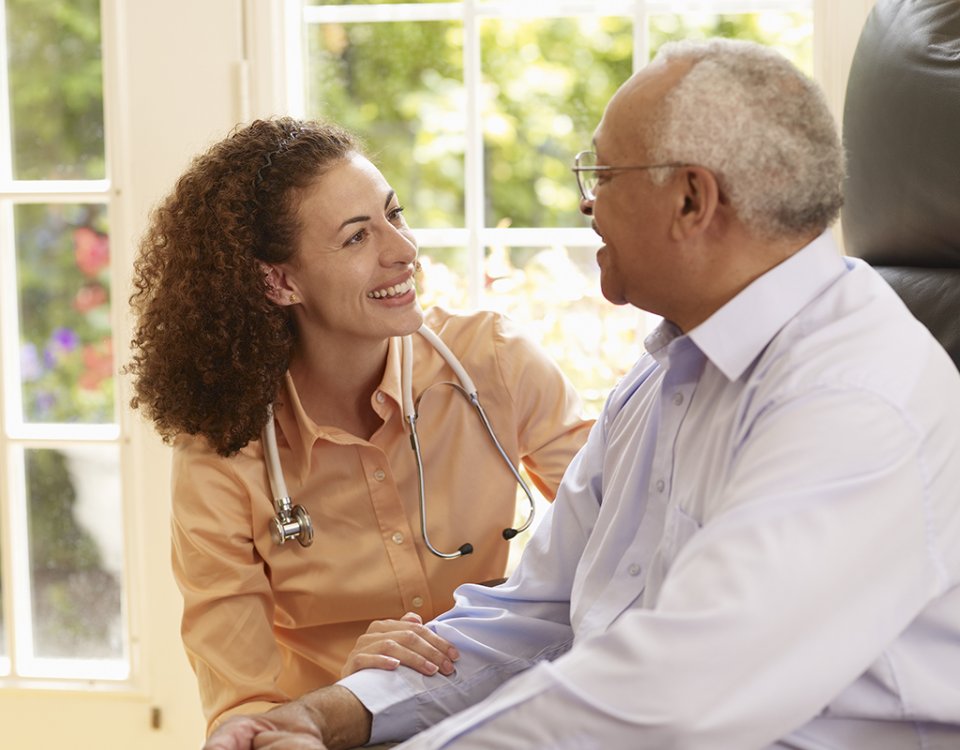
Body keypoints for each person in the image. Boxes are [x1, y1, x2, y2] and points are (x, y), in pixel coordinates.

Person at [201, 38, 960, 750]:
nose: (584, 206)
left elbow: (670, 694)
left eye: (601, 177)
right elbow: (535, 612)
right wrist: (331, 715)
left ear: (692, 201)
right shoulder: (667, 374)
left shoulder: (853, 399)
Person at [125, 117, 593, 736]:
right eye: (356, 238)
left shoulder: (495, 361)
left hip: (504, 719)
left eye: (394, 215)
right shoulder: (223, 454)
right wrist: (348, 695)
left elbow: (627, 528)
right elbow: (244, 705)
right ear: (280, 280)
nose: (404, 250)